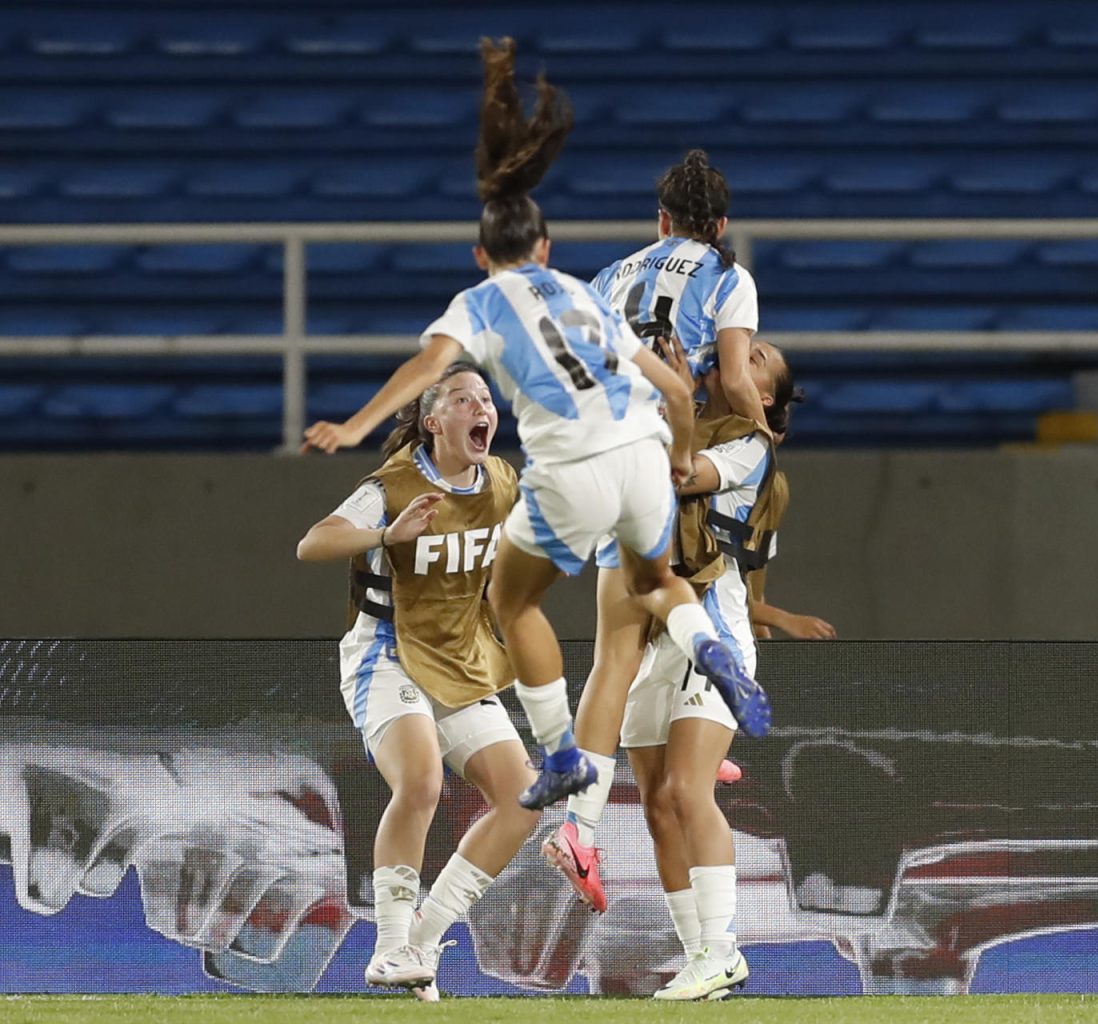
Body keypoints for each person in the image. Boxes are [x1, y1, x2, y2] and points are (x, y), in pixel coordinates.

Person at [303, 37, 770, 814]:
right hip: (648, 461)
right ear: (546, 248)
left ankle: (560, 756)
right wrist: (683, 452)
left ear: (482, 255)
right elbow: (681, 394)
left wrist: (355, 428)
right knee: (659, 582)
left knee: (511, 600)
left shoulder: (504, 299)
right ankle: (709, 646)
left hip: (575, 468)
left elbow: (424, 373)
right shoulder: (579, 294)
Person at [547, 338, 802, 1001]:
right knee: (659, 804)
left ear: (765, 395)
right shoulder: (677, 415)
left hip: (710, 626)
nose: (737, 349)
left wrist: (667, 390)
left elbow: (679, 475)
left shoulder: (752, 444)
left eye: (757, 356)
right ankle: (702, 960)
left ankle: (723, 949)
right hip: (650, 635)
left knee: (690, 793)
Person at [295, 362, 540, 998]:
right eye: (463, 399)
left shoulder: (502, 482)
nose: (480, 407)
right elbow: (313, 543)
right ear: (433, 422)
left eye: (486, 398)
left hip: (458, 660)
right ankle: (387, 947)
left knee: (521, 800)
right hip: (386, 654)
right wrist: (385, 534)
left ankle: (422, 940)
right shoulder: (395, 485)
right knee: (422, 780)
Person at [592, 148, 764, 428]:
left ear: (664, 219)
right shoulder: (729, 277)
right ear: (721, 226)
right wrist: (765, 442)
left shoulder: (611, 274)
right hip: (656, 426)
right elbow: (735, 381)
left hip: (593, 421)